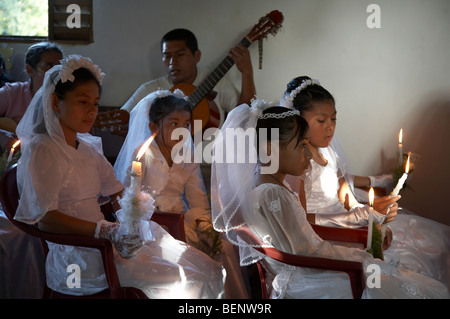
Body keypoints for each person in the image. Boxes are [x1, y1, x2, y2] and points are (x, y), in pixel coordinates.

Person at [14, 54, 225, 298]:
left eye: (95, 103)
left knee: (205, 269)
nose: (92, 112)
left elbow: (117, 194)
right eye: (83, 102)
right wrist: (105, 231)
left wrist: (130, 219)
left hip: (107, 242)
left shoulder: (87, 148)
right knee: (185, 281)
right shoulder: (43, 149)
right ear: (54, 102)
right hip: (77, 254)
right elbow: (46, 220)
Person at [210, 100, 450, 298]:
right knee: (417, 289)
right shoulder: (273, 193)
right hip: (307, 280)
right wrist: (358, 257)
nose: (308, 154)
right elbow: (308, 251)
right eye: (302, 145)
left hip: (306, 271)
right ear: (271, 150)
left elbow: (302, 245)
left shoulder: (263, 186)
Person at [282, 76, 450, 289]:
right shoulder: (296, 164)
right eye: (321, 121)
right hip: (325, 237)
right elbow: (302, 220)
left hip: (349, 225)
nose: (330, 128)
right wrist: (358, 219)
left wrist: (374, 223)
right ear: (298, 121)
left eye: (334, 119)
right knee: (402, 275)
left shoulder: (330, 152)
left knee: (433, 243)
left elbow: (348, 199)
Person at [114, 89, 249, 298]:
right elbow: (127, 198)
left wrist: (205, 226)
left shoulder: (187, 156)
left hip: (181, 219)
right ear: (153, 127)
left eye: (186, 124)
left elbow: (197, 200)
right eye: (174, 124)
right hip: (150, 225)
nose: (182, 131)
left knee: (223, 244)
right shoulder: (142, 154)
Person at [121, 28, 256, 127]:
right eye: (167, 56)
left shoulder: (219, 83)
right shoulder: (150, 89)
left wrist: (247, 73)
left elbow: (244, 117)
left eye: (180, 55)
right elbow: (123, 118)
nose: (173, 62)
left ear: (196, 56)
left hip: (208, 163)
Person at [0, 42, 63, 132]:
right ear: (30, 70)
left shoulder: (66, 99)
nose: (56, 71)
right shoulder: (12, 93)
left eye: (59, 66)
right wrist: (3, 135)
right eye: (49, 66)